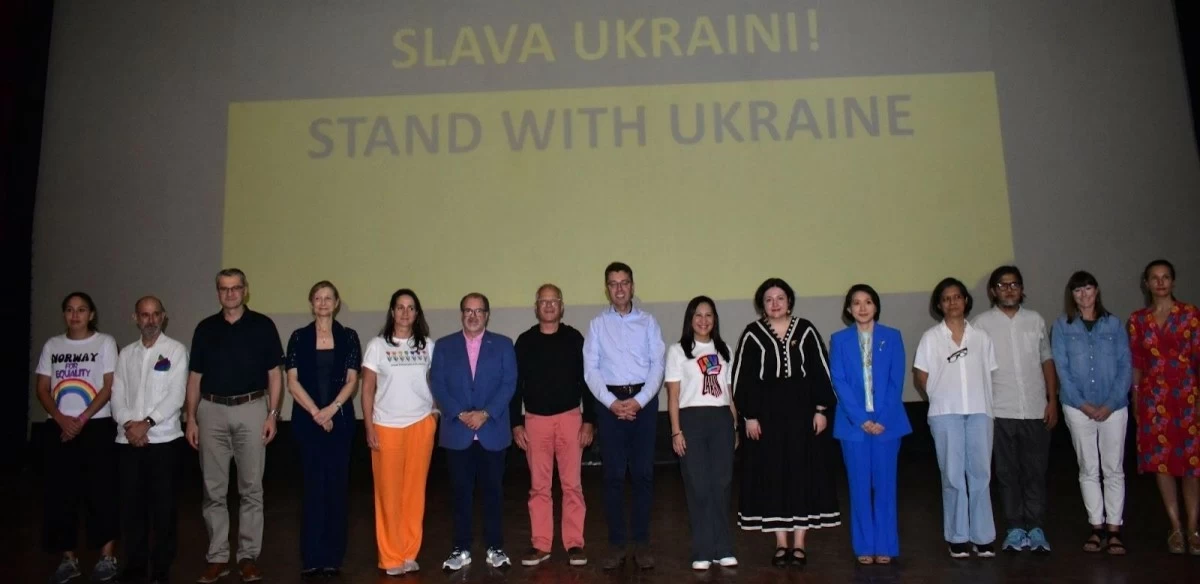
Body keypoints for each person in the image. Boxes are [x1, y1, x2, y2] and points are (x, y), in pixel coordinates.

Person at [733, 278, 840, 567]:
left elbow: (821, 370)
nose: (775, 303)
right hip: (767, 420)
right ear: (762, 304)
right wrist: (749, 416)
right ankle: (781, 543)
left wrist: (820, 409)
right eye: (769, 299)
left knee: (802, 475)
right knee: (774, 477)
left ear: (789, 301)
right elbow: (742, 379)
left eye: (780, 298)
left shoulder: (805, 330)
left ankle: (800, 543)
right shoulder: (752, 334)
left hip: (803, 417)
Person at [185, 268, 284, 583]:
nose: (230, 293)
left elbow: (274, 375)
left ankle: (248, 557)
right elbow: (195, 378)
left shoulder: (263, 326)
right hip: (211, 411)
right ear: (218, 292)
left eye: (235, 288)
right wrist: (190, 417)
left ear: (246, 290)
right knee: (213, 490)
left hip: (252, 409)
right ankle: (217, 557)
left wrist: (273, 413)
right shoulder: (204, 329)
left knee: (251, 490)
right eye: (224, 289)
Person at [582, 262, 666, 570]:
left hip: (643, 403)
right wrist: (611, 402)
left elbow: (658, 365)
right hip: (610, 406)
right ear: (607, 288)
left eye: (625, 282)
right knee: (613, 476)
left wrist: (640, 400)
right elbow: (590, 370)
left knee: (643, 474)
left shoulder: (648, 323)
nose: (619, 288)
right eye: (613, 283)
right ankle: (617, 545)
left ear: (632, 286)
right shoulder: (597, 326)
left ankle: (642, 544)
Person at [972, 266, 1058, 553]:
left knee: (1035, 472)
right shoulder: (981, 324)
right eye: (1002, 285)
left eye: (1014, 284)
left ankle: (1036, 528)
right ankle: (1014, 528)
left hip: (1035, 409)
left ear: (1022, 289)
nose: (1009, 290)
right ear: (993, 291)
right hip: (999, 411)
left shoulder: (1035, 320)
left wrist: (1052, 400)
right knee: (1007, 474)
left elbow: (1046, 359)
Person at [35, 291, 120, 583]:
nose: (75, 315)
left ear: (91, 314)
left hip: (95, 425)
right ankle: (68, 560)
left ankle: (108, 557)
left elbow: (109, 386)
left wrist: (82, 419)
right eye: (70, 310)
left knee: (101, 493)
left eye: (82, 310)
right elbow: (43, 388)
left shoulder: (105, 342)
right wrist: (61, 419)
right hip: (59, 428)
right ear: (64, 314)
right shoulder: (52, 345)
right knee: (61, 495)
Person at [510, 284, 597, 567]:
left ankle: (574, 544)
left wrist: (589, 421)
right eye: (543, 301)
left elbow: (588, 382)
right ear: (535, 307)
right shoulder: (523, 342)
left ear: (562, 306)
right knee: (539, 487)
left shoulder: (574, 339)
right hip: (535, 422)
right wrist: (516, 424)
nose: (548, 306)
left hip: (571, 419)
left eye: (553, 301)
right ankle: (541, 545)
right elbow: (515, 387)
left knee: (572, 485)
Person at [430, 292, 518, 571]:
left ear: (487, 315)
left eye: (479, 311)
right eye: (468, 310)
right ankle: (461, 548)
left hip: (492, 431)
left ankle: (495, 547)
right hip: (458, 433)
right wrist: (460, 413)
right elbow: (439, 385)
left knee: (493, 493)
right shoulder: (444, 346)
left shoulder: (504, 345)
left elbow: (509, 383)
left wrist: (485, 413)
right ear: (461, 314)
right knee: (460, 494)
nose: (473, 315)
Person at [913, 277, 998, 559]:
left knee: (981, 475)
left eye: (957, 297)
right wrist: (940, 397)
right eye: (946, 298)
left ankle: (983, 536)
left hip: (979, 412)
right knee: (952, 476)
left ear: (965, 301)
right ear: (939, 304)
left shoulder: (982, 337)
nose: (953, 302)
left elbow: (990, 373)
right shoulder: (930, 338)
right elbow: (921, 376)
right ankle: (958, 536)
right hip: (945, 414)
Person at [284, 281, 362, 576]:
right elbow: (292, 382)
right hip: (307, 422)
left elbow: (352, 380)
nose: (323, 302)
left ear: (337, 302)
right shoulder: (299, 337)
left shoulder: (349, 336)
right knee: (311, 489)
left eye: (328, 298)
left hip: (339, 422)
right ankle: (311, 556)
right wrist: (317, 412)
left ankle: (333, 556)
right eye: (318, 298)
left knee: (337, 489)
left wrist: (331, 409)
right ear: (311, 303)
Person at [829, 284, 910, 565]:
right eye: (856, 303)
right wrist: (861, 419)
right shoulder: (839, 340)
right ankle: (864, 544)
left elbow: (895, 381)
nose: (862, 308)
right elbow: (838, 381)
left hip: (888, 424)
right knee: (859, 486)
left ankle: (886, 544)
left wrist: (881, 419)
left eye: (868, 302)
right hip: (853, 427)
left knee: (886, 486)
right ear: (849, 309)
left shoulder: (892, 336)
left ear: (876, 306)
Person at [110, 296, 188, 584]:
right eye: (144, 315)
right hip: (127, 441)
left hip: (164, 441)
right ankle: (135, 564)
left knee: (164, 508)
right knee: (131, 507)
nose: (150, 320)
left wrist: (148, 424)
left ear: (164, 317)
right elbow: (116, 395)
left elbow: (176, 395)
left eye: (156, 314)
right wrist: (131, 425)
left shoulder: (176, 350)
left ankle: (161, 567)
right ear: (135, 318)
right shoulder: (125, 354)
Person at [1052, 271, 1130, 555]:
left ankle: (1114, 529)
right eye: (1077, 291)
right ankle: (1096, 527)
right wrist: (1084, 405)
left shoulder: (1114, 324)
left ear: (1096, 291)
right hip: (1077, 407)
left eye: (1088, 289)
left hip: (1114, 408)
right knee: (1088, 469)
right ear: (1071, 296)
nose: (1084, 295)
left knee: (1113, 469)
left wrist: (1109, 404)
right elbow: (1062, 369)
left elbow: (1125, 367)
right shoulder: (1062, 327)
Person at [361, 289, 438, 576]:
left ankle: (408, 552)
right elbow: (367, 389)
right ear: (392, 312)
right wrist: (368, 426)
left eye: (411, 308)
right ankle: (390, 556)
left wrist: (434, 413)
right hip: (386, 427)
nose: (405, 313)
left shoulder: (428, 346)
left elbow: (437, 383)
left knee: (414, 493)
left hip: (420, 425)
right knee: (388, 494)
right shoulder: (377, 346)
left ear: (417, 313)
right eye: (400, 307)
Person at [1128, 259, 1200, 554]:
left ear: (1172, 281)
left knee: (1191, 465)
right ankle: (1175, 527)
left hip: (1186, 396)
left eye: (1165, 277)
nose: (1160, 282)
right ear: (1146, 283)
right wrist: (1135, 398)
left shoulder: (1190, 315)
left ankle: (1194, 527)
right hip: (1153, 398)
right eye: (1154, 278)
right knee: (1162, 463)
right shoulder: (1138, 320)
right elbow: (1137, 363)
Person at [665, 296, 739, 570]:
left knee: (722, 484)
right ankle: (702, 550)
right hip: (691, 420)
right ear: (690, 318)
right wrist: (676, 431)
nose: (704, 320)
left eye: (709, 315)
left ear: (714, 319)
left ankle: (723, 548)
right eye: (698, 315)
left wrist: (734, 426)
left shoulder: (725, 350)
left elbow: (730, 396)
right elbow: (673, 396)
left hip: (720, 420)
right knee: (698, 486)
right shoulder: (677, 351)